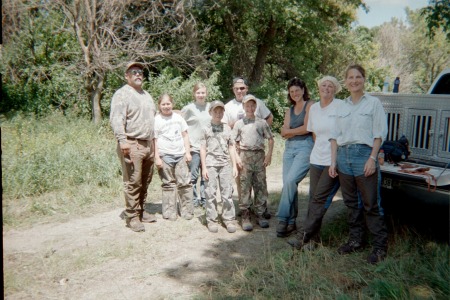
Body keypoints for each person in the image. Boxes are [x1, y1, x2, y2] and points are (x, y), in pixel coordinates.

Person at [329, 64, 388, 264]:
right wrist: (333, 162)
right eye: (350, 77)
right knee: (351, 203)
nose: (354, 80)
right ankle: (356, 241)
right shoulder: (341, 106)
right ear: (345, 82)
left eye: (358, 77)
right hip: (343, 157)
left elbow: (379, 134)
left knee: (371, 203)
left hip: (364, 155)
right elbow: (335, 136)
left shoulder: (373, 103)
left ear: (364, 79)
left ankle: (379, 247)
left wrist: (372, 158)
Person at [287, 76, 357, 248]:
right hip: (316, 158)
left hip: (332, 160)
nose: (326, 88)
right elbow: (314, 133)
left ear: (335, 90)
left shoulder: (341, 106)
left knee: (319, 198)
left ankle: (303, 235)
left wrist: (335, 157)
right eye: (323, 85)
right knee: (313, 199)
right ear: (318, 88)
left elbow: (347, 131)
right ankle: (314, 239)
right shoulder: (315, 108)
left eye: (330, 86)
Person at [110, 62, 157, 232]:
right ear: (127, 76)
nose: (138, 75)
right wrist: (123, 141)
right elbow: (116, 119)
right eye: (134, 72)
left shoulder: (146, 95)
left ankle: (141, 210)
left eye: (140, 72)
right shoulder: (122, 94)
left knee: (146, 179)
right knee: (133, 181)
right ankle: (132, 216)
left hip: (148, 144)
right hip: (131, 143)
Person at [222, 77, 273, 219]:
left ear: (247, 88)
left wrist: (259, 131)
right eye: (237, 88)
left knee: (260, 182)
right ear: (233, 89)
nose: (239, 90)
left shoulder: (258, 104)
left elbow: (269, 118)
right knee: (243, 182)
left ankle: (261, 210)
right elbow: (225, 127)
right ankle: (245, 210)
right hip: (240, 151)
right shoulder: (228, 106)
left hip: (258, 152)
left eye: (242, 88)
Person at [276, 78, 314, 237]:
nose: (295, 94)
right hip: (289, 148)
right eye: (291, 92)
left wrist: (290, 131)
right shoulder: (289, 110)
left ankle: (283, 218)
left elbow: (307, 128)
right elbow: (283, 132)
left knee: (291, 180)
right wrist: (291, 131)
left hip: (305, 146)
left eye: (297, 90)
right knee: (288, 183)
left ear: (303, 90)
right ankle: (291, 222)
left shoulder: (310, 105)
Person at [233, 94, 274, 231]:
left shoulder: (261, 122)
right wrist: (237, 158)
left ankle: (260, 214)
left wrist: (268, 155)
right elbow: (233, 142)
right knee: (245, 186)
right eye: (247, 105)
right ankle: (245, 215)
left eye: (252, 105)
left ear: (255, 106)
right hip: (244, 156)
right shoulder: (239, 123)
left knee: (261, 185)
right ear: (243, 107)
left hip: (259, 156)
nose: (250, 108)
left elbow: (270, 139)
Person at [154, 93, 194, 221]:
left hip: (180, 155)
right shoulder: (157, 120)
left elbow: (185, 135)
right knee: (168, 184)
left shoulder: (178, 118)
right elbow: (154, 140)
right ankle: (169, 211)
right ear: (159, 106)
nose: (166, 106)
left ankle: (187, 210)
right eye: (163, 104)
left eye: (168, 104)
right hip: (165, 155)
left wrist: (187, 152)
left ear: (172, 104)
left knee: (185, 183)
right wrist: (157, 158)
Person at [200, 100, 238, 233]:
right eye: (215, 111)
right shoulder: (205, 128)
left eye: (220, 111)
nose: (218, 113)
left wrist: (234, 166)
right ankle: (212, 220)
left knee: (227, 193)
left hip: (225, 164)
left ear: (223, 112)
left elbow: (232, 146)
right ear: (210, 112)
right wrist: (204, 167)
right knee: (210, 193)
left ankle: (228, 219)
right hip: (210, 164)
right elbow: (203, 148)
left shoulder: (227, 127)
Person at [181, 83, 211, 208]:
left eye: (203, 92)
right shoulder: (189, 108)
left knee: (206, 175)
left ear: (206, 93)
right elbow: (180, 123)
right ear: (194, 94)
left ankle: (204, 200)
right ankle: (193, 200)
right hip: (194, 146)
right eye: (198, 92)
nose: (200, 95)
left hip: (208, 147)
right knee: (193, 175)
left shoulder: (210, 107)